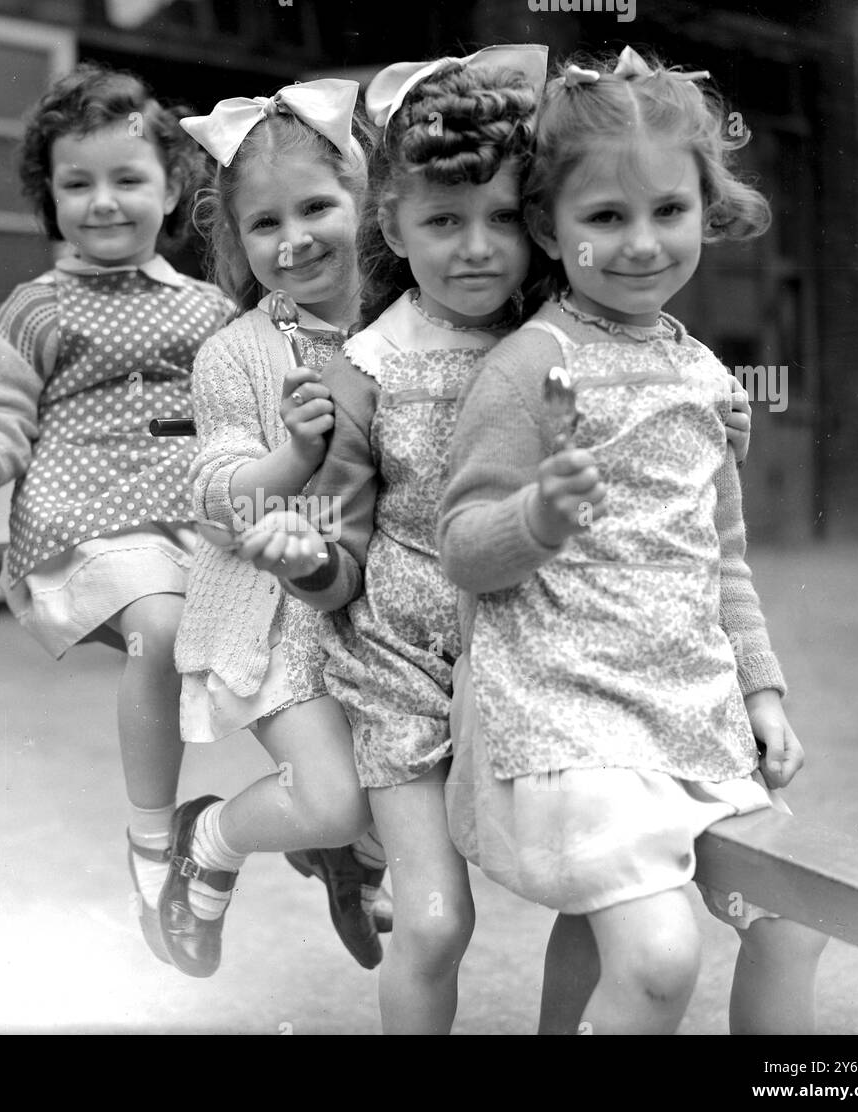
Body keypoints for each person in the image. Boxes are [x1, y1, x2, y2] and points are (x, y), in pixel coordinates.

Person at [437, 47, 827, 1034]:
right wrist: (538, 519)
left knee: (791, 923)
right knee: (656, 959)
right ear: (548, 226)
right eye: (605, 218)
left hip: (690, 714)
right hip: (569, 717)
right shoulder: (532, 367)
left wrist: (762, 691)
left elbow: (722, 558)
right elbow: (462, 549)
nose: (643, 244)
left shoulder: (700, 372)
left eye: (669, 211)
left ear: (706, 207)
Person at [232, 46, 551, 1033]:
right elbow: (341, 562)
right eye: (444, 222)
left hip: (530, 657)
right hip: (401, 671)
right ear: (394, 227)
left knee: (600, 881)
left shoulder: (556, 342)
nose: (476, 248)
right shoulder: (365, 371)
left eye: (501, 218)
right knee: (434, 919)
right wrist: (308, 558)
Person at [0, 64, 235, 966]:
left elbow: (253, 411)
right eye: (77, 183)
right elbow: (3, 425)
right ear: (50, 199)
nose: (104, 202)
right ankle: (152, 845)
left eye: (127, 179)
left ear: (171, 187)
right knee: (161, 628)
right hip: (83, 511)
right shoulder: (35, 310)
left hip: (197, 515)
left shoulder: (212, 310)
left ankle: (328, 837)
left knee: (312, 624)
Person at [157, 80, 392, 978]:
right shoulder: (235, 352)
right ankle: (210, 840)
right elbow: (218, 494)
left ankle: (357, 853)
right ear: (233, 238)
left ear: (365, 200)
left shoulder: (399, 321)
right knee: (330, 796)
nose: (293, 241)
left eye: (317, 207)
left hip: (381, 597)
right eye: (263, 225)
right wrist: (291, 459)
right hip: (276, 607)